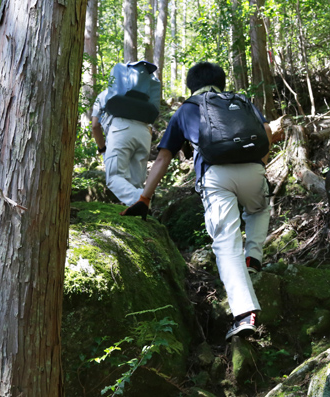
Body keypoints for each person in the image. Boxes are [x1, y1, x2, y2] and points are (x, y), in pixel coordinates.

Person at [124, 62, 272, 340]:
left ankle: (244, 314)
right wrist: (261, 166)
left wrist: (145, 197)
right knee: (259, 208)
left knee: (226, 243)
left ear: (191, 85)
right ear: (222, 82)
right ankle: (253, 257)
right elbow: (266, 132)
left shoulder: (186, 109)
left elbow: (164, 157)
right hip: (254, 170)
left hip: (215, 176)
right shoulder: (241, 101)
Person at [91, 61, 158, 208]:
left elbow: (95, 126)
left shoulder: (104, 96)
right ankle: (141, 215)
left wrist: (103, 149)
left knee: (114, 177)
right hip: (144, 133)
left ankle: (140, 204)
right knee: (136, 182)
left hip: (120, 129)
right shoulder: (145, 101)